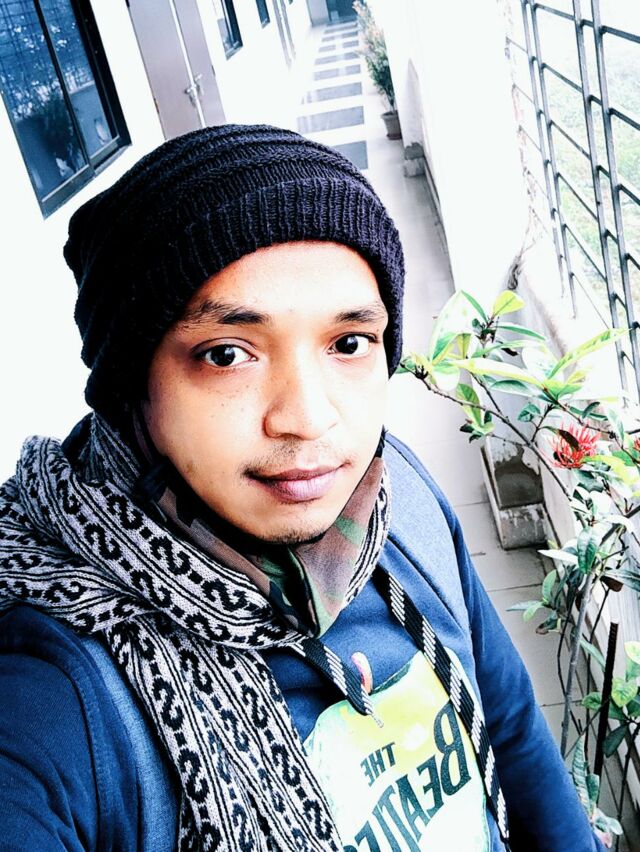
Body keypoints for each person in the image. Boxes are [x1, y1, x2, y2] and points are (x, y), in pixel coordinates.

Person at [0, 124, 603, 852]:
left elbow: (510, 729)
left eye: (348, 344)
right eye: (227, 354)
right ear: (132, 390)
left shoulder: (395, 499)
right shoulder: (61, 699)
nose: (310, 419)